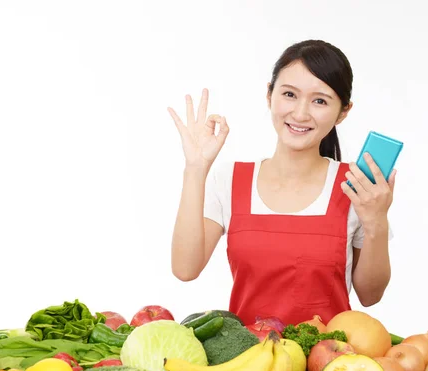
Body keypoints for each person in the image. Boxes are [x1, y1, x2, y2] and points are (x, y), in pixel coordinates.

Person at [167, 39, 396, 327]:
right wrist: (195, 169)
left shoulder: (356, 186)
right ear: (269, 95)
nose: (300, 114)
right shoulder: (230, 179)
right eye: (289, 94)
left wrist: (376, 222)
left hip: (328, 366)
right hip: (249, 363)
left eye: (320, 101)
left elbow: (370, 295)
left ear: (343, 111)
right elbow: (185, 269)